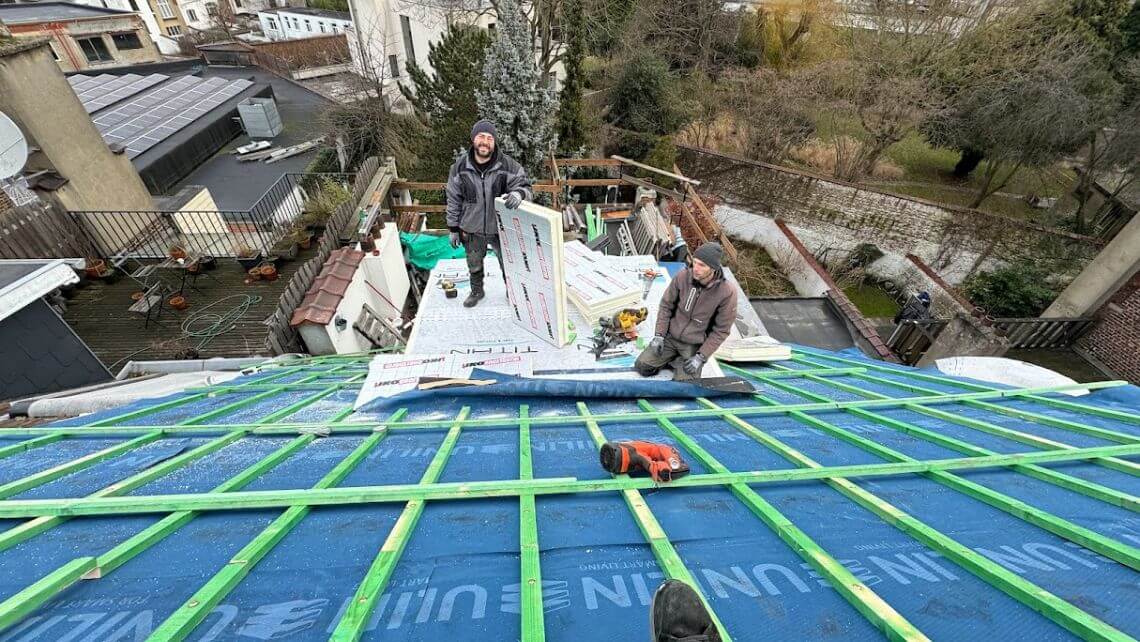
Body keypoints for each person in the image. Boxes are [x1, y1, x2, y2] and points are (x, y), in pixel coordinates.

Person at [445, 119, 533, 308]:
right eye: (481, 136)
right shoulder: (459, 168)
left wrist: (519, 194)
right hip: (472, 228)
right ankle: (477, 291)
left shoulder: (508, 165)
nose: (485, 141)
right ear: (473, 139)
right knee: (474, 263)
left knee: (508, 263)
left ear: (494, 142)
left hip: (501, 228)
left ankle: (513, 293)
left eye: (489, 138)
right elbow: (453, 199)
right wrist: (453, 228)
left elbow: (526, 187)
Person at [634, 242, 737, 381]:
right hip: (670, 338)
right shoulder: (683, 277)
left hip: (693, 345)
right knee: (642, 367)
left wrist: (701, 357)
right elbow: (666, 306)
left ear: (713, 268)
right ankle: (673, 359)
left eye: (702, 265)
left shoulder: (726, 292)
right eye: (695, 262)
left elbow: (721, 330)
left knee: (684, 385)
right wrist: (659, 335)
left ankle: (679, 362)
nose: (696, 268)